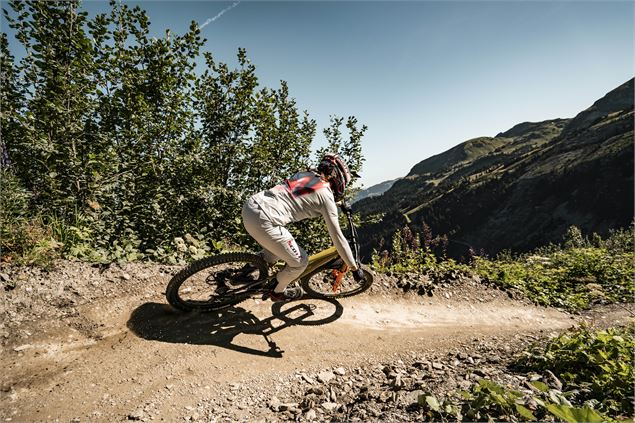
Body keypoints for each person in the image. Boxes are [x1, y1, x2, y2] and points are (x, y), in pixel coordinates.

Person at [241, 153, 365, 302]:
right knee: (300, 262)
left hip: (252, 206)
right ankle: (277, 291)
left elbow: (304, 194)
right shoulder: (326, 198)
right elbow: (338, 238)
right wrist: (354, 268)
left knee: (276, 252)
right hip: (265, 220)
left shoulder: (304, 174)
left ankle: (243, 273)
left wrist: (336, 204)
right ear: (338, 178)